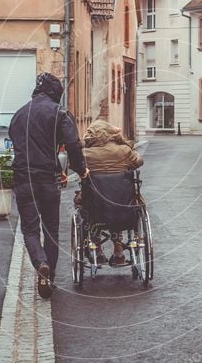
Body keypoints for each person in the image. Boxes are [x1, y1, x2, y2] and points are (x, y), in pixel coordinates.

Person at [9, 73, 88, 299]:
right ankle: (49, 276)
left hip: (23, 179)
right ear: (56, 94)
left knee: (30, 230)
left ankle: (40, 263)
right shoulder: (59, 113)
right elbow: (72, 143)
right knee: (51, 230)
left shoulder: (19, 114)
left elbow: (14, 139)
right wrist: (80, 169)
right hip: (47, 179)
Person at [76, 119, 143, 265]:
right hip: (122, 206)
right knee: (118, 199)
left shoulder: (85, 154)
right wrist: (125, 144)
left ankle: (98, 249)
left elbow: (74, 165)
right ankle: (118, 251)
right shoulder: (124, 151)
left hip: (95, 207)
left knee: (90, 205)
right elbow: (138, 162)